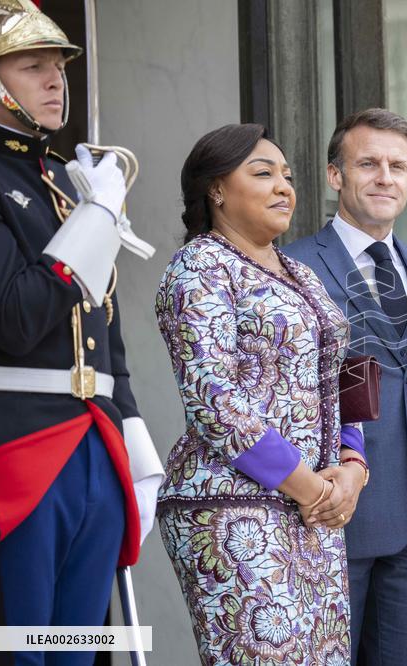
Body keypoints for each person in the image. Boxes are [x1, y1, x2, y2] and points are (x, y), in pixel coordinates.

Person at [155, 123, 368, 665]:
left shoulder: (301, 273)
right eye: (263, 173)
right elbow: (215, 399)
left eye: (288, 176)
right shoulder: (198, 267)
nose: (283, 187)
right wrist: (309, 488)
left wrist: (352, 464)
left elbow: (350, 369)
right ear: (216, 189)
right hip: (233, 505)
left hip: (316, 509)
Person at [0, 3, 163, 663]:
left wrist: (131, 426)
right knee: (16, 647)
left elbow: (103, 327)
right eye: (32, 66)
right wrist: (95, 220)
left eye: (58, 67)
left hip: (95, 443)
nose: (55, 80)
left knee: (77, 647)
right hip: (17, 448)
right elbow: (15, 315)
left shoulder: (67, 182)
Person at [285, 108, 407, 665]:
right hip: (329, 514)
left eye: (398, 166)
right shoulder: (290, 266)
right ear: (336, 176)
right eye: (369, 164)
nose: (386, 177)